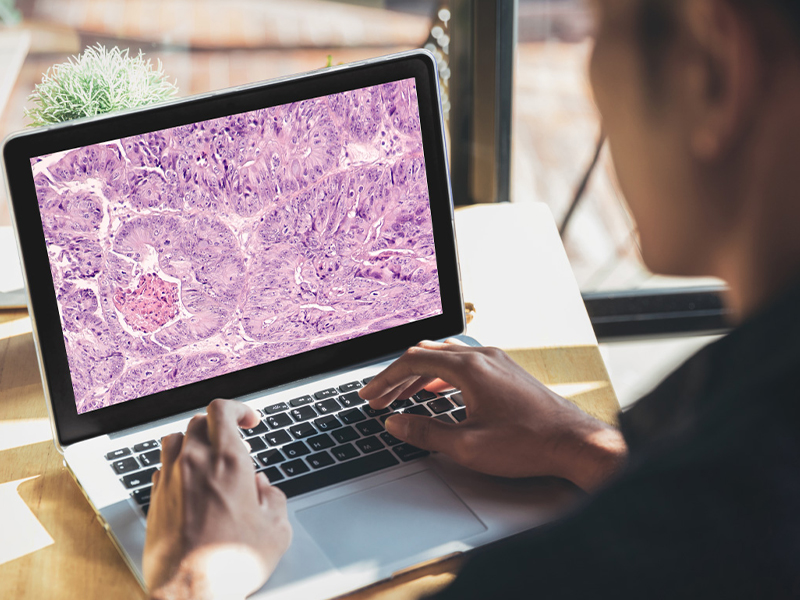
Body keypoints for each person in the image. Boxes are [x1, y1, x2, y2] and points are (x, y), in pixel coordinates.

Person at [143, 0, 800, 597]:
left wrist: (197, 581)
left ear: (713, 69)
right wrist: (582, 445)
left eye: (599, 29)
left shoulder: (582, 570)